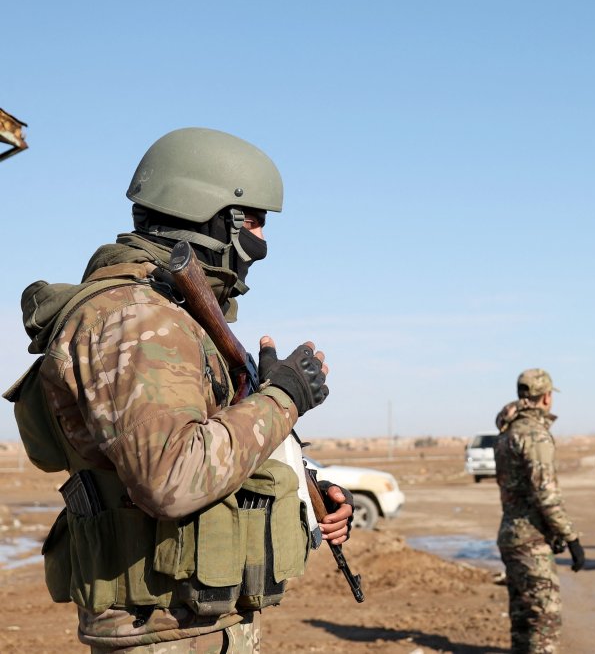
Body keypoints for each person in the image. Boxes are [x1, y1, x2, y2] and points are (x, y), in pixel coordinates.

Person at [6, 127, 353, 652]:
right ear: (212, 214)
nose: (262, 242)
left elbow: (211, 448)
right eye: (255, 221)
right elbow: (170, 479)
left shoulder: (167, 314)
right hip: (162, 631)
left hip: (196, 620)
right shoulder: (136, 318)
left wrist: (308, 491)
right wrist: (284, 399)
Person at [494, 368, 585, 654]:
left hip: (511, 535)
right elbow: (546, 495)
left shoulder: (507, 433)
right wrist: (571, 538)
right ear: (546, 397)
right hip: (531, 542)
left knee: (522, 622)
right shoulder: (535, 435)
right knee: (544, 622)